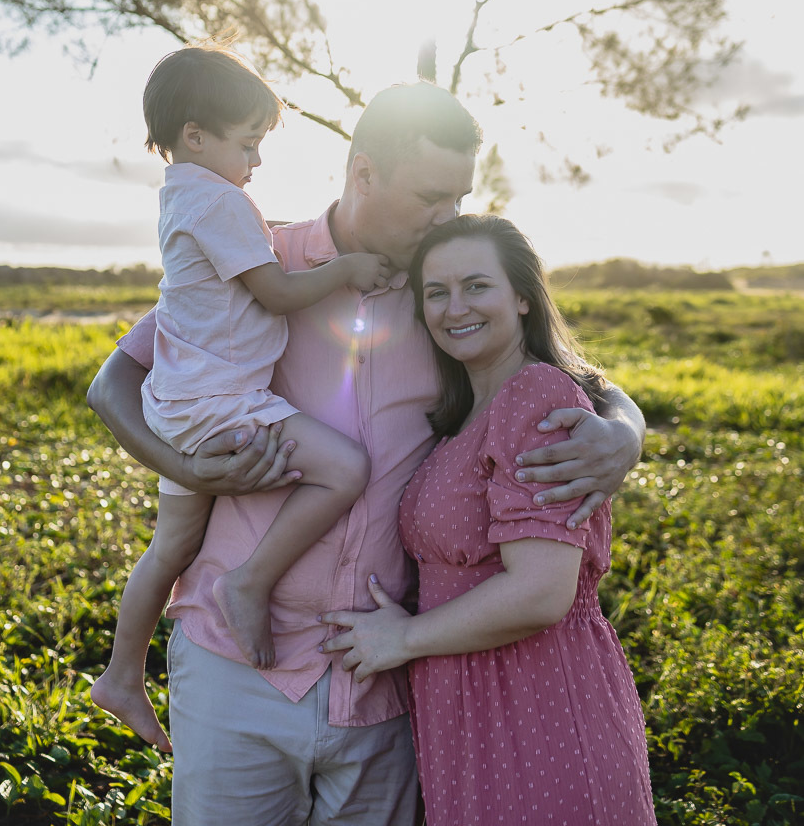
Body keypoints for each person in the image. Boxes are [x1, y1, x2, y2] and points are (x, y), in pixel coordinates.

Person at [87, 81, 646, 826]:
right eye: (430, 196)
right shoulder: (260, 261)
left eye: (459, 197)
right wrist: (184, 468)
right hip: (237, 663)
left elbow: (558, 375)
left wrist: (624, 430)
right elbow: (113, 381)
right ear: (363, 174)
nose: (447, 216)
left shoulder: (444, 300)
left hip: (382, 675)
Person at [91, 47, 388, 752]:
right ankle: (249, 583)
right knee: (344, 468)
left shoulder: (185, 196)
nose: (255, 160)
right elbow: (278, 292)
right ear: (196, 136)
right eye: (247, 142)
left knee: (170, 548)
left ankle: (121, 674)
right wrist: (346, 267)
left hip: (181, 403)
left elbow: (245, 252)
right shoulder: (220, 200)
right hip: (223, 402)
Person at [321, 214, 656, 825]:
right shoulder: (464, 415)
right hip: (466, 709)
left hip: (539, 703)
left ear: (523, 297)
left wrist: (402, 639)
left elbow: (539, 592)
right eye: (437, 292)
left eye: (477, 286)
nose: (455, 308)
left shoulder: (535, 395)